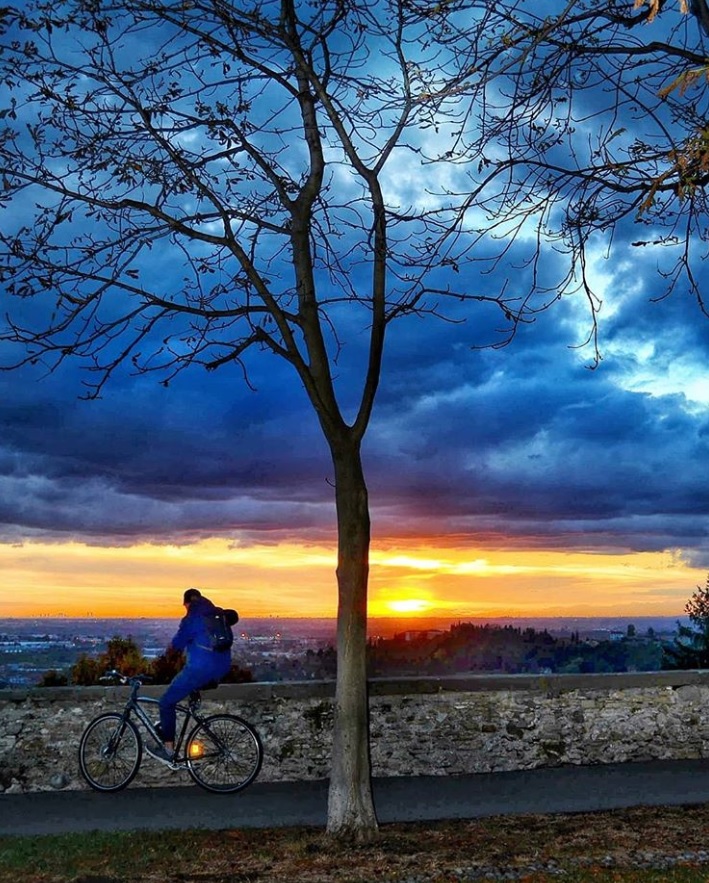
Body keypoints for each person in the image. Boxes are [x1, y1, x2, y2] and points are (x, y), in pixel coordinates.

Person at [151, 587, 233, 762]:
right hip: (222, 668)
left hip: (200, 669)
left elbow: (176, 647)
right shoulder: (217, 614)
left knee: (166, 702)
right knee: (188, 693)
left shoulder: (191, 618)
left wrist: (162, 664)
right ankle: (174, 726)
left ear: (187, 603)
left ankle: (168, 749)